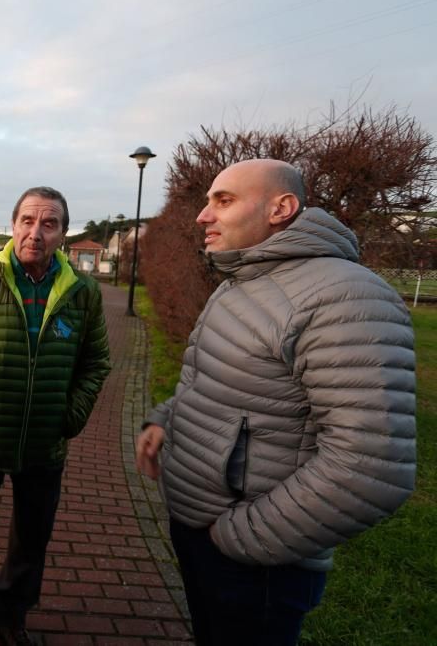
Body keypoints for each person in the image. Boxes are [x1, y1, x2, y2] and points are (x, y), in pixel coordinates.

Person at [134, 159, 417, 646]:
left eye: (223, 201)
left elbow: (372, 466)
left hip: (256, 562)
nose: (203, 216)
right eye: (208, 202)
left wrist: (242, 538)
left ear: (281, 208)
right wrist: (167, 418)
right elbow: (215, 381)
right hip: (204, 536)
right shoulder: (241, 283)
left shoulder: (344, 297)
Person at [0, 186, 110, 646]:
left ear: (64, 234)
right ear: (13, 225)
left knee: (31, 543)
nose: (36, 232)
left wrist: (71, 416)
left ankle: (8, 617)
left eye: (49, 224)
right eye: (28, 221)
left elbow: (96, 361)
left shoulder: (83, 292)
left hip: (47, 445)